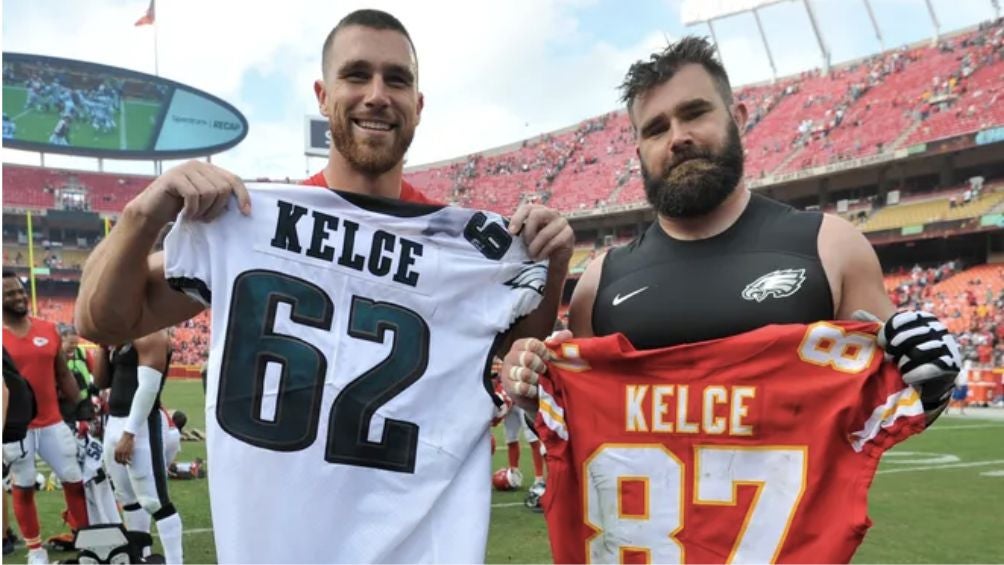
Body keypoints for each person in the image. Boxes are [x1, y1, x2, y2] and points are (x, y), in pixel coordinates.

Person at [75, 9, 573, 563]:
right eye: (357, 75)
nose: (377, 95)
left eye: (396, 80)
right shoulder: (250, 221)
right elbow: (101, 321)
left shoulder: (459, 248)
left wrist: (550, 264)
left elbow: (518, 348)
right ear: (323, 94)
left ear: (418, 104)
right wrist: (143, 212)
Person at [500, 37, 961, 561]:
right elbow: (577, 431)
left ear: (738, 117)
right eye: (656, 127)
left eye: (695, 113)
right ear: (639, 151)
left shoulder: (830, 247)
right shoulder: (600, 281)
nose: (678, 137)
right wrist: (533, 388)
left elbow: (889, 409)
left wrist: (931, 382)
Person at [2, 271, 90, 564]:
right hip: (16, 428)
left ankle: (85, 540)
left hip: (52, 421)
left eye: (19, 291)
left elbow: (63, 374)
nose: (18, 297)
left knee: (74, 479)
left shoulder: (48, 329)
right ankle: (35, 550)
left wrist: (82, 407)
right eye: (9, 293)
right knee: (23, 486)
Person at [93, 329, 182, 564]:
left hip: (141, 424)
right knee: (128, 499)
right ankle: (140, 557)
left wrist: (129, 433)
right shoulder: (124, 334)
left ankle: (175, 561)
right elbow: (100, 382)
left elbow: (148, 388)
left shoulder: (151, 333)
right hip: (114, 420)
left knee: (154, 501)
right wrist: (103, 346)